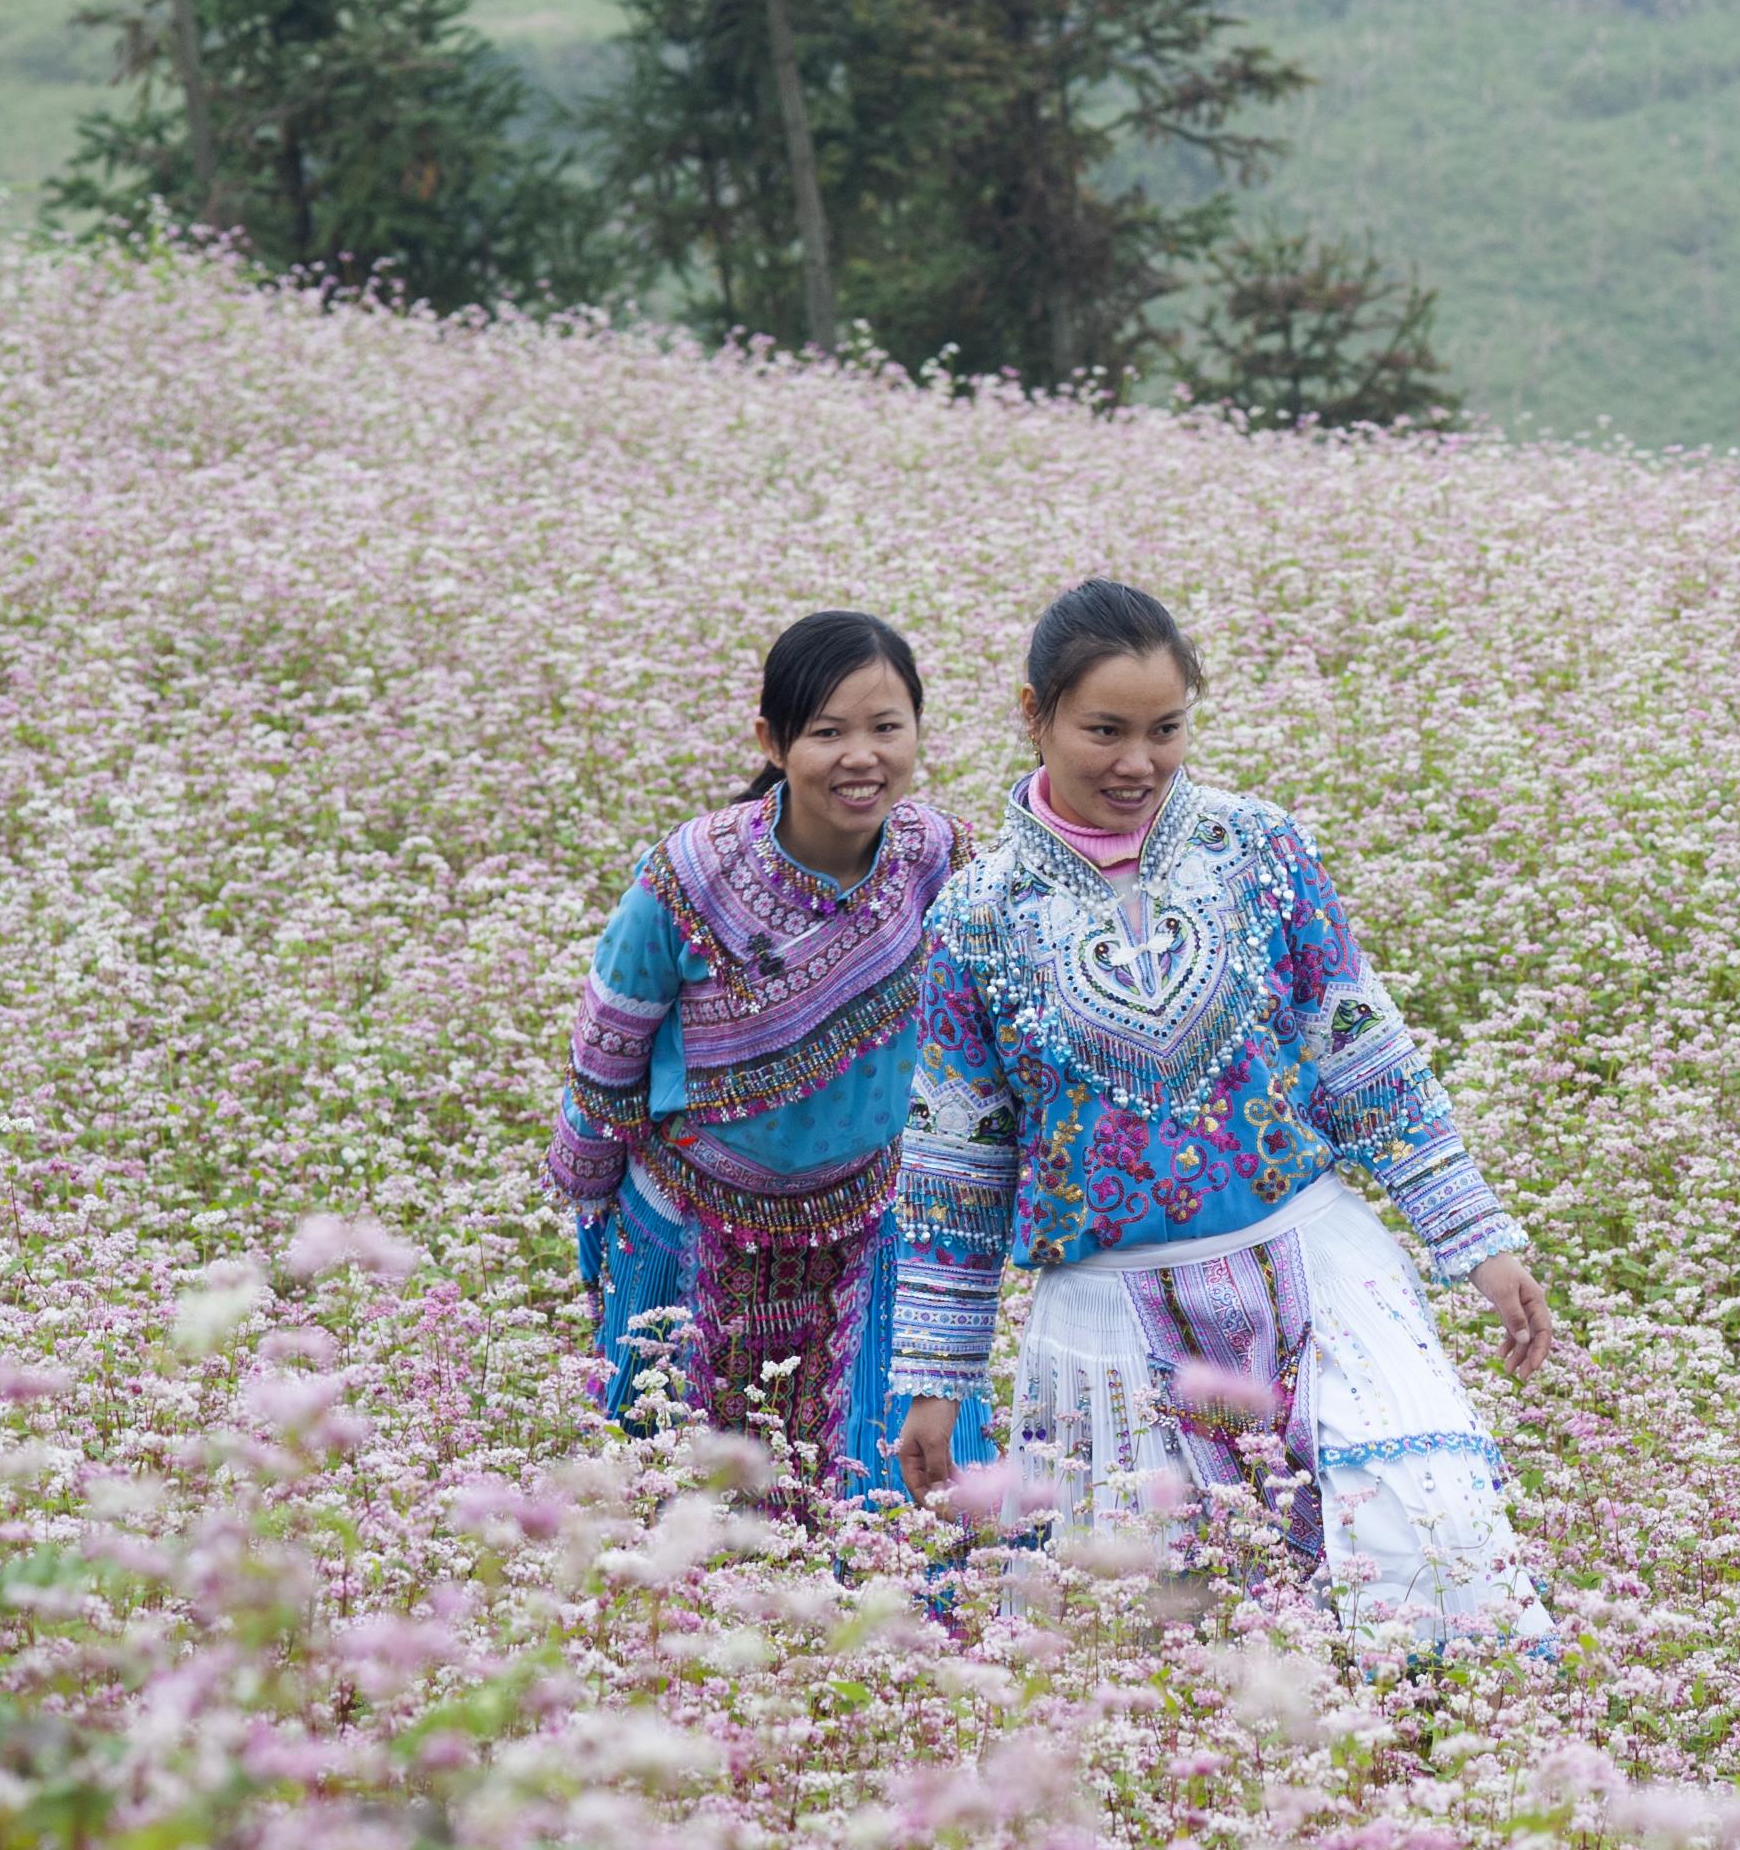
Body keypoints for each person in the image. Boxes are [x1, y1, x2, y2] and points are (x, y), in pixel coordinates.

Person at [889, 578, 1557, 1655]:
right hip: (1107, 1318)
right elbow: (956, 1166)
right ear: (1034, 715)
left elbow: (1359, 1051)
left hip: (1313, 1263)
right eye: (1105, 730)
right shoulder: (977, 915)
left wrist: (1475, 1241)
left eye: (1165, 730)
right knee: (1167, 1639)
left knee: (1427, 1540)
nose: (1138, 763)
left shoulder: (1260, 851)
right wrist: (934, 1383)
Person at [541, 610, 991, 1500]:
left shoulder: (938, 860)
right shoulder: (692, 874)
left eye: (886, 727)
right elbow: (610, 1042)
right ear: (771, 741)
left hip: (870, 1225)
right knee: (669, 1500)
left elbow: (980, 1033)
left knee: (892, 1505)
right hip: (689, 1224)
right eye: (827, 733)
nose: (861, 757)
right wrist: (590, 1204)